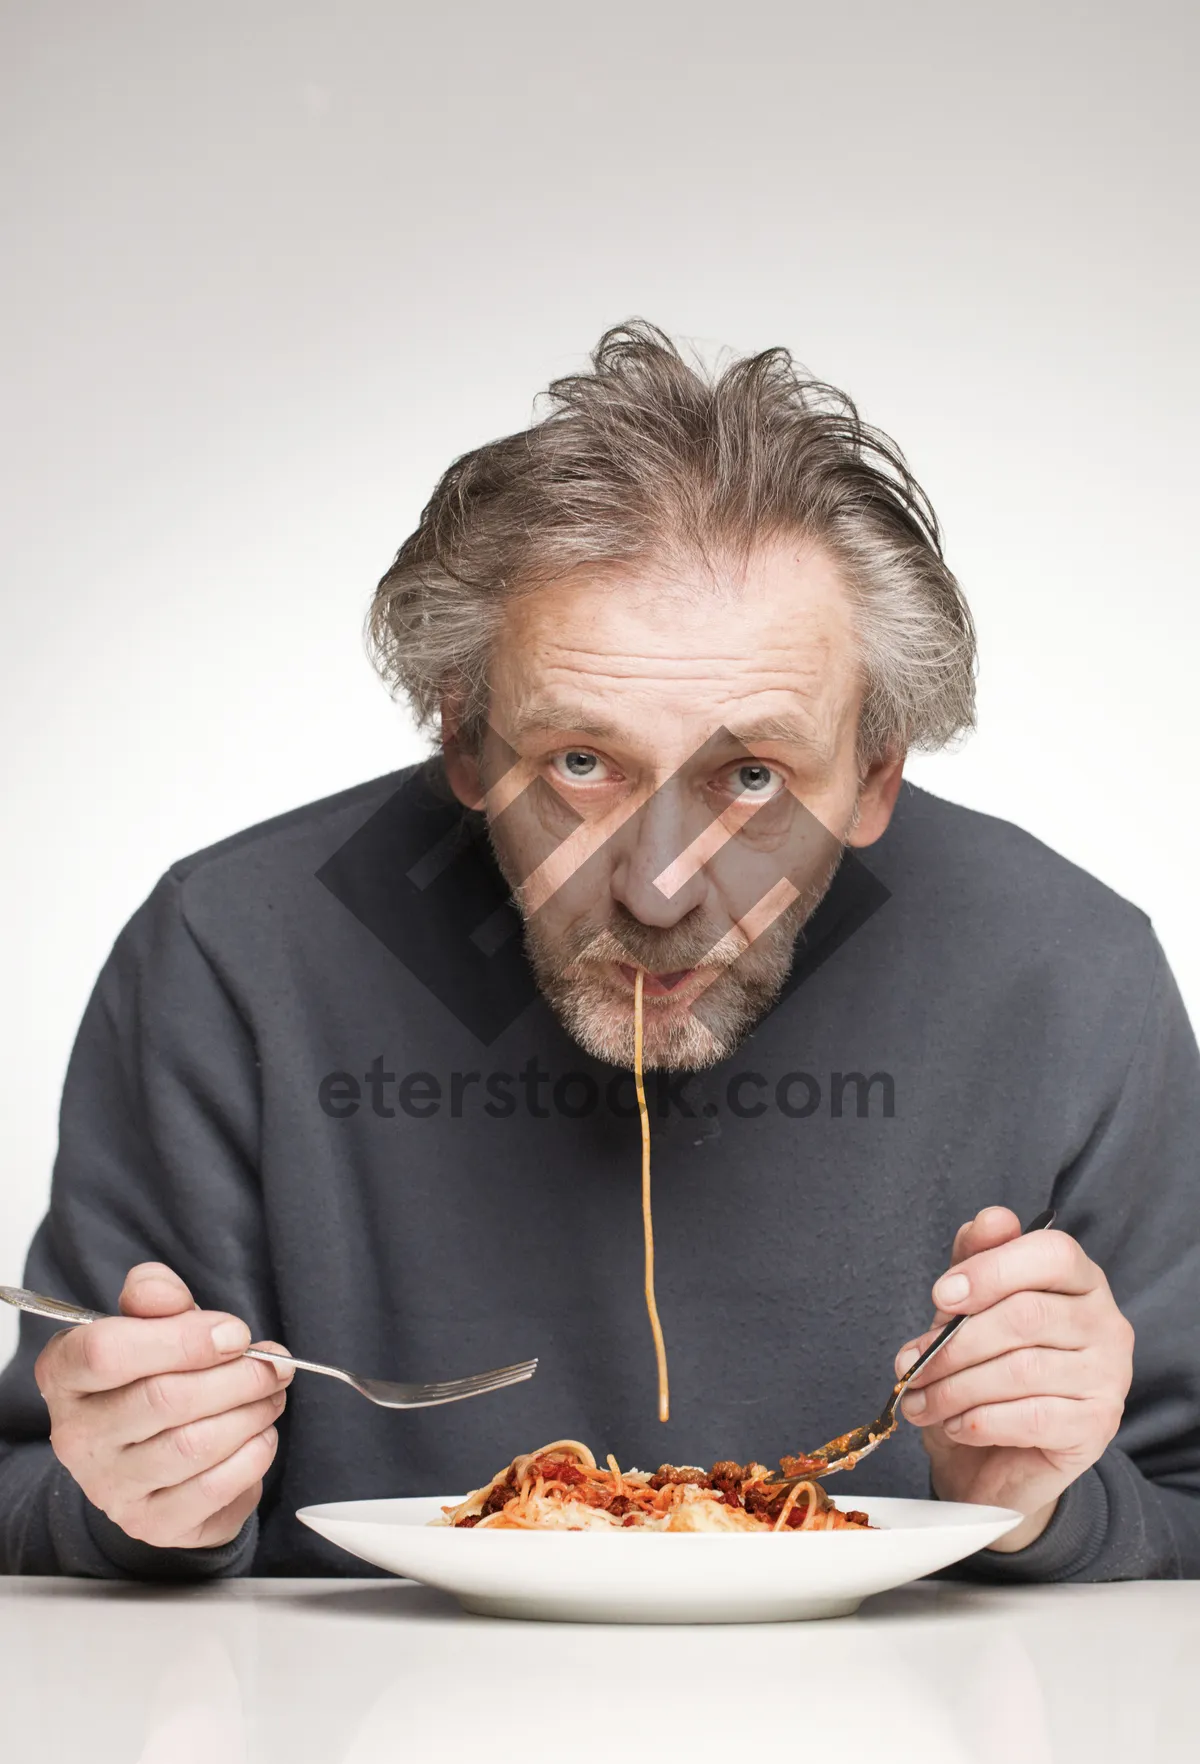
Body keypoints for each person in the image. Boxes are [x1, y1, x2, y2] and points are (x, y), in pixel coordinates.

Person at [1, 321, 1195, 1581]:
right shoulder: (232, 951)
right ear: (464, 742)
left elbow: (1182, 1514)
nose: (661, 886)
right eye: (581, 763)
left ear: (874, 775)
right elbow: (28, 1490)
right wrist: (136, 1506)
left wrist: (1041, 1511)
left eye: (751, 774)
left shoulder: (1070, 973)